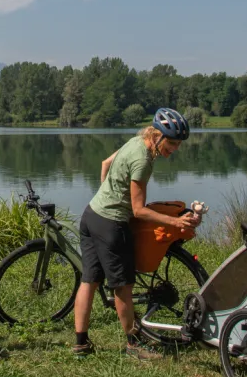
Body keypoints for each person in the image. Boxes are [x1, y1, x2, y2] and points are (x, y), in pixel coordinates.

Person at [72, 107, 200, 360]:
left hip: (92, 215)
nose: (175, 149)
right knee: (123, 287)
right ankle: (134, 345)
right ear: (157, 135)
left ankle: (81, 343)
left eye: (179, 144)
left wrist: (107, 195)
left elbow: (105, 163)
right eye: (172, 143)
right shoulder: (143, 160)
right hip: (110, 225)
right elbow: (139, 211)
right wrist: (175, 224)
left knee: (89, 281)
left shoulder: (135, 141)